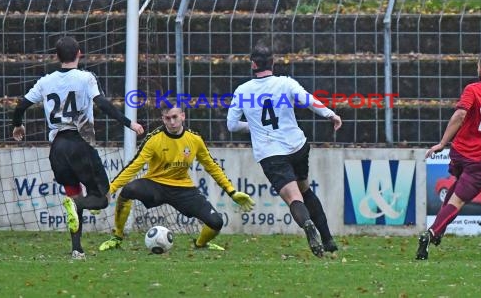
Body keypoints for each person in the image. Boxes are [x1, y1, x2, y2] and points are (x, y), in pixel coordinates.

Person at [12, 36, 145, 260]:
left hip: (57, 148)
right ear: (79, 54)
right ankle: (74, 208)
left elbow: (21, 105)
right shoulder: (86, 78)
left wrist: (18, 126)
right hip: (80, 143)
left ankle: (77, 249)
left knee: (74, 195)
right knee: (101, 199)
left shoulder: (45, 81)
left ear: (57, 56)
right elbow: (102, 103)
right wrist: (129, 123)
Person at [226, 44, 342, 258]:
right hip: (297, 146)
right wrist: (330, 114)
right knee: (305, 190)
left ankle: (307, 224)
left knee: (294, 198)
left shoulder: (242, 91)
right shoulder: (285, 83)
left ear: (252, 64)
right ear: (273, 62)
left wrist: (253, 126)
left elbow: (232, 125)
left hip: (271, 153)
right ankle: (328, 240)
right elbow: (308, 100)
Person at [99, 105, 255, 252]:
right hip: (155, 185)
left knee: (216, 223)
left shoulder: (194, 139)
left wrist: (231, 191)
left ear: (183, 116)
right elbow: (134, 166)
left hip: (183, 188)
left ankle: (201, 244)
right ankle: (117, 236)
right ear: (163, 119)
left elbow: (212, 167)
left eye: (175, 117)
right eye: (167, 118)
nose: (172, 122)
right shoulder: (154, 139)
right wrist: (110, 189)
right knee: (129, 190)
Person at [417, 51, 481, 260]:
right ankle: (431, 233)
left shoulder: (472, 89)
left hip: (460, 153)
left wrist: (443, 143)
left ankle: (438, 230)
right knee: (458, 201)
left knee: (455, 188)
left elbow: (461, 114)